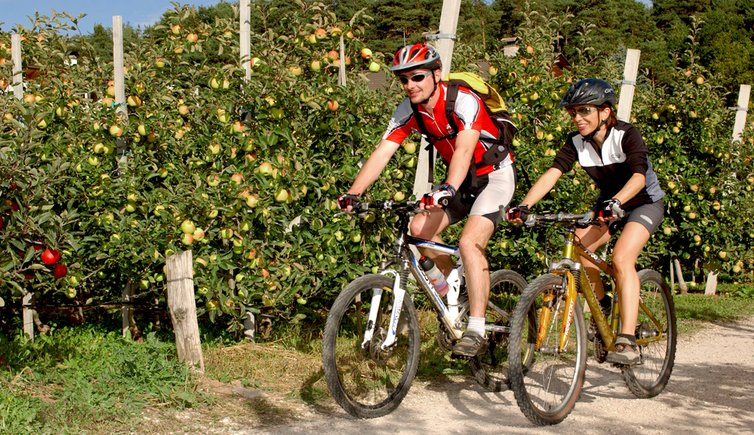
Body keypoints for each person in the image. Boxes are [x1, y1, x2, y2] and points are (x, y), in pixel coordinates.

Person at [337, 43, 517, 357]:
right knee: (419, 229)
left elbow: (463, 150)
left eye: (417, 77)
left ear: (436, 74)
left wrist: (447, 187)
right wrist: (354, 193)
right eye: (403, 80)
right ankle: (453, 292)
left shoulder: (463, 100)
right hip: (459, 182)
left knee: (468, 243)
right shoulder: (407, 110)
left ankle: (475, 326)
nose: (410, 85)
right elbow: (383, 152)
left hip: (494, 176)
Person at [507, 78, 665, 365]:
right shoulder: (576, 142)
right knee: (580, 251)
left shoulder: (627, 134)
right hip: (608, 207)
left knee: (621, 258)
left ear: (605, 112)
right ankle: (603, 308)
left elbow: (639, 176)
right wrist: (524, 205)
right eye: (573, 113)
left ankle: (627, 340)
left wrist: (618, 202)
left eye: (584, 112)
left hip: (643, 203)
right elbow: (553, 173)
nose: (577, 118)